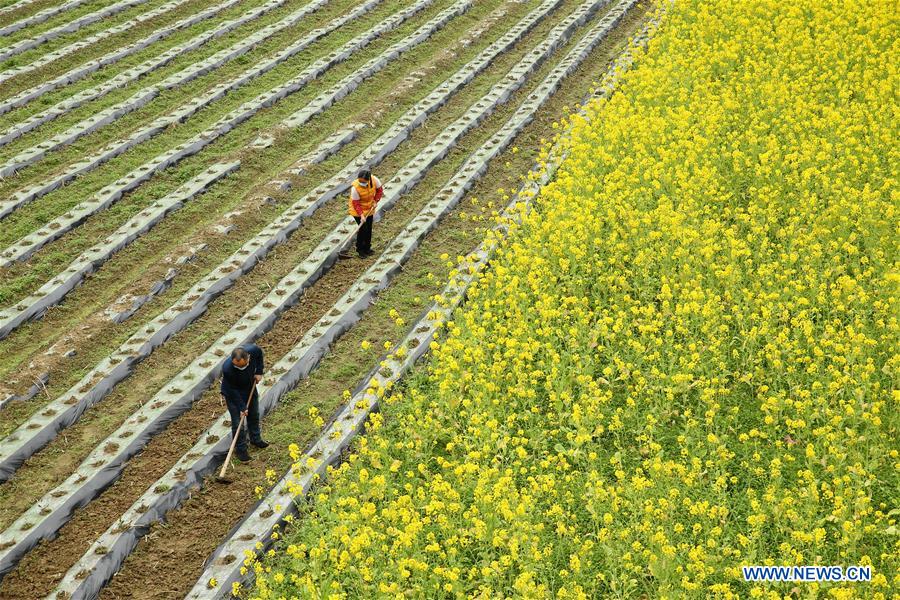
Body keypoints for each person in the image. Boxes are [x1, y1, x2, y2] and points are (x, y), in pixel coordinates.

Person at [220, 344, 269, 462]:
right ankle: (241, 450)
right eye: (237, 366)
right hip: (233, 394)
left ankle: (255, 439)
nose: (241, 368)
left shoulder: (253, 351)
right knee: (238, 424)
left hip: (249, 387)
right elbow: (232, 391)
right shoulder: (227, 369)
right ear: (232, 362)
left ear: (248, 358)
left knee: (254, 414)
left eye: (243, 365)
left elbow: (259, 355)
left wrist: (259, 371)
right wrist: (242, 407)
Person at [346, 169, 383, 258]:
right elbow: (356, 203)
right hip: (357, 210)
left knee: (369, 228)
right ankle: (360, 250)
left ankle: (367, 248)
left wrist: (375, 201)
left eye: (363, 181)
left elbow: (379, 191)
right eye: (360, 181)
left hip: (369, 207)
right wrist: (361, 215)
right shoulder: (355, 188)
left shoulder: (374, 180)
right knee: (363, 229)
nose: (361, 183)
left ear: (368, 179)